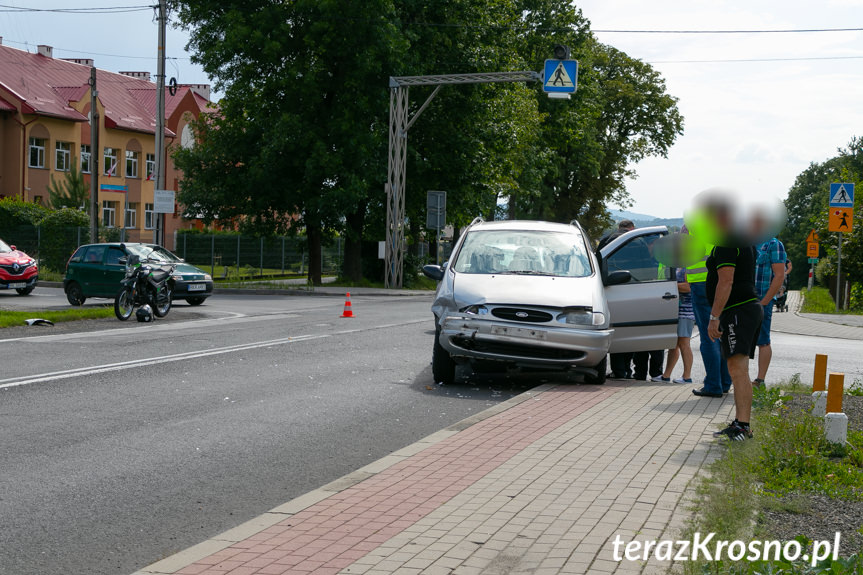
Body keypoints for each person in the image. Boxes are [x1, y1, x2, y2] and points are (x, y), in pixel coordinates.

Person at [707, 238, 763, 441]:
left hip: (738, 309)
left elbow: (726, 281)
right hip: (745, 308)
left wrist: (714, 317)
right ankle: (741, 424)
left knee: (738, 370)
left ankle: (743, 426)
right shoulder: (743, 241)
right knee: (739, 370)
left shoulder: (727, 243)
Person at [685, 233, 733, 397]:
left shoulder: (694, 224)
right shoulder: (721, 225)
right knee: (721, 334)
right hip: (720, 281)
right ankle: (724, 382)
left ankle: (713, 385)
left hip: (700, 282)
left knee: (709, 336)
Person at [601, 220, 637, 379]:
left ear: (619, 228)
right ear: (632, 228)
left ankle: (619, 371)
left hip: (613, 290)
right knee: (631, 333)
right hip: (638, 290)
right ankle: (628, 370)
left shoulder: (608, 240)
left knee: (616, 333)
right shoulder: (638, 240)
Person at [752, 236, 787, 386]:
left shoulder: (774, 244)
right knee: (740, 341)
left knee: (763, 341)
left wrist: (764, 302)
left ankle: (760, 380)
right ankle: (741, 379)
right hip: (742, 300)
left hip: (762, 300)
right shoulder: (745, 241)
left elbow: (779, 275)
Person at [653, 267, 694, 383]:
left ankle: (687, 376)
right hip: (676, 311)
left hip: (686, 312)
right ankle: (666, 375)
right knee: (674, 345)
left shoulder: (687, 267)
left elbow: (689, 287)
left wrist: (670, 286)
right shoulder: (676, 267)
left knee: (684, 344)